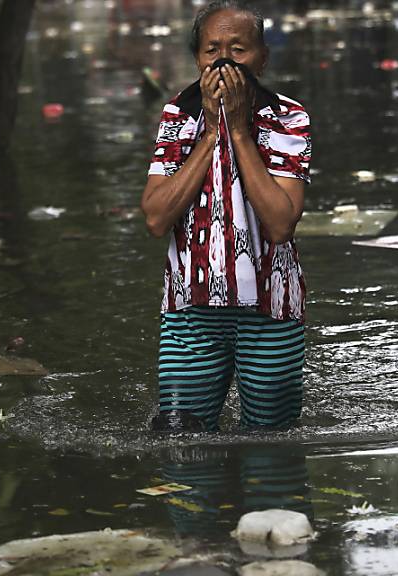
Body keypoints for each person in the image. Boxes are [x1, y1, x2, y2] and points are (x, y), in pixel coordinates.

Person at [141, 0, 312, 432]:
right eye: (211, 50)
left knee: (270, 446)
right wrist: (213, 132)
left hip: (271, 312)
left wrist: (237, 129)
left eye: (238, 50)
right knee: (180, 442)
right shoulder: (178, 116)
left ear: (263, 58)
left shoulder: (288, 119)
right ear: (197, 59)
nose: (223, 62)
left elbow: (280, 224)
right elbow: (156, 218)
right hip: (189, 311)